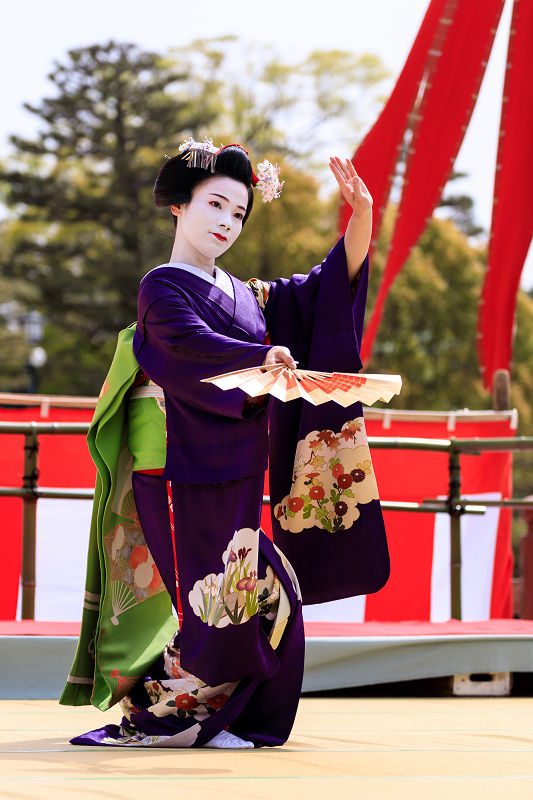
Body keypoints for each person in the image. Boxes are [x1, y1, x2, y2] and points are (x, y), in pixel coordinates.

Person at [61, 139, 390, 749]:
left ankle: (201, 716)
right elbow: (187, 347)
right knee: (216, 606)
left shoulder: (246, 295)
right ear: (178, 208)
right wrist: (260, 356)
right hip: (179, 469)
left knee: (260, 601)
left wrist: (362, 220)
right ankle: (174, 718)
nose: (225, 223)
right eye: (214, 204)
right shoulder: (162, 287)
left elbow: (316, 297)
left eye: (238, 213)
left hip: (233, 470)